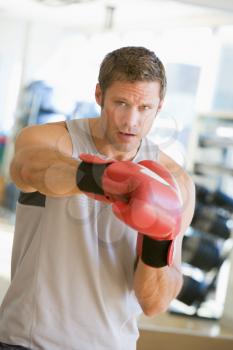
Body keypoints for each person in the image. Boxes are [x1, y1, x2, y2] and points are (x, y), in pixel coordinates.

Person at [0, 46, 195, 350]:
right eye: (121, 103)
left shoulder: (175, 183)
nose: (131, 121)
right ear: (99, 95)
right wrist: (109, 179)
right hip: (29, 342)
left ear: (159, 107)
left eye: (144, 108)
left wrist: (158, 237)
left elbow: (154, 303)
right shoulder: (50, 140)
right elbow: (28, 170)